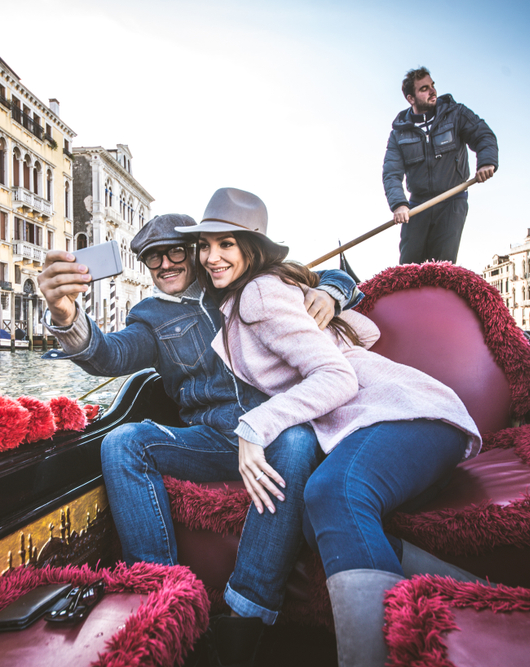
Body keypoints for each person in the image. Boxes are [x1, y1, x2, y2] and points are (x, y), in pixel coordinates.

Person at [178, 187, 483, 667]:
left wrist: (252, 426)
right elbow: (357, 336)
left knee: (331, 492)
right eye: (204, 246)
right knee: (319, 507)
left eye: (226, 245)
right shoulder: (253, 297)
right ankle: (477, 598)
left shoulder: (258, 293)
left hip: (407, 415)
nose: (211, 257)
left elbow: (337, 376)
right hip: (396, 428)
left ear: (251, 249)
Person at [36, 213, 359, 666]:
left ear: (193, 252)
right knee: (122, 442)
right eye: (152, 258)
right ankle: (162, 595)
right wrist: (66, 315)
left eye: (174, 252)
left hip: (279, 430)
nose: (165, 264)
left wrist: (331, 292)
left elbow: (331, 275)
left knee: (297, 442)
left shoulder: (236, 280)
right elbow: (109, 354)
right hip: (213, 440)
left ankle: (246, 610)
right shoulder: (149, 316)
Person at [383, 67, 498, 265]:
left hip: (452, 200)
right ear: (411, 99)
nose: (432, 91)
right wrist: (399, 204)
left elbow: (483, 135)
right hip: (417, 207)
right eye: (424, 89)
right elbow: (391, 173)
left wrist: (486, 162)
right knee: (408, 268)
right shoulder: (399, 134)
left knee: (442, 267)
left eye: (432, 86)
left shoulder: (456, 114)